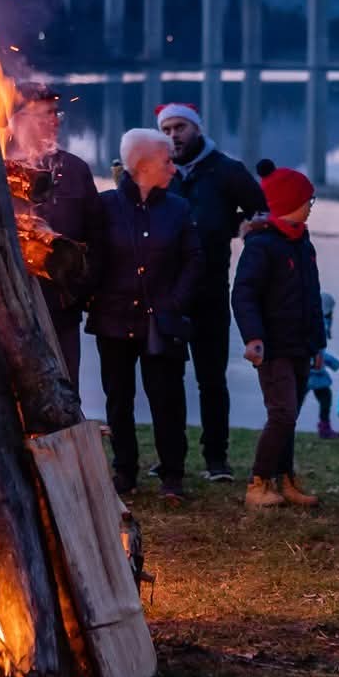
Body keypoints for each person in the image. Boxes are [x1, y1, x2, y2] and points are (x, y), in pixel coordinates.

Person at [87, 129, 201, 501]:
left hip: (163, 321)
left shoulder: (178, 209)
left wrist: (176, 302)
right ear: (145, 164)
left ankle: (172, 475)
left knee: (167, 399)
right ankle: (125, 471)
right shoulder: (104, 208)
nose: (174, 167)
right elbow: (91, 258)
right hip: (114, 319)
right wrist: (91, 296)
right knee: (118, 399)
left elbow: (193, 260)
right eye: (167, 160)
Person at [158, 102, 268, 482]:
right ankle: (170, 456)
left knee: (212, 379)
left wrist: (231, 226)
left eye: (180, 128)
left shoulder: (227, 170)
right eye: (168, 129)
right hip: (169, 293)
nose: (174, 136)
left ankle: (216, 459)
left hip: (210, 292)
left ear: (197, 129)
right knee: (168, 380)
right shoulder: (161, 171)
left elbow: (261, 210)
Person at [232, 161, 323, 508]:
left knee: (290, 415)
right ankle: (257, 483)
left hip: (301, 344)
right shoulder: (262, 245)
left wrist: (318, 343)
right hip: (272, 347)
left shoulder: (303, 243)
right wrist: (253, 337)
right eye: (308, 200)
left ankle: (285, 481)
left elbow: (312, 295)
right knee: (282, 413)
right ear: (289, 202)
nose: (311, 206)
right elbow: (243, 294)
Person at [9, 82, 99, 381]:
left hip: (61, 309)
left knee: (65, 388)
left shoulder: (74, 169)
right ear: (19, 119)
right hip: (8, 313)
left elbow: (95, 237)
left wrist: (78, 290)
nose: (56, 119)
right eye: (46, 114)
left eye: (56, 112)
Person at [309, 327, 339, 442]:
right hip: (317, 380)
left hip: (306, 379)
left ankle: (279, 426)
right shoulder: (318, 349)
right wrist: (335, 364)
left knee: (295, 403)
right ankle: (324, 429)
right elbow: (333, 362)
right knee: (325, 401)